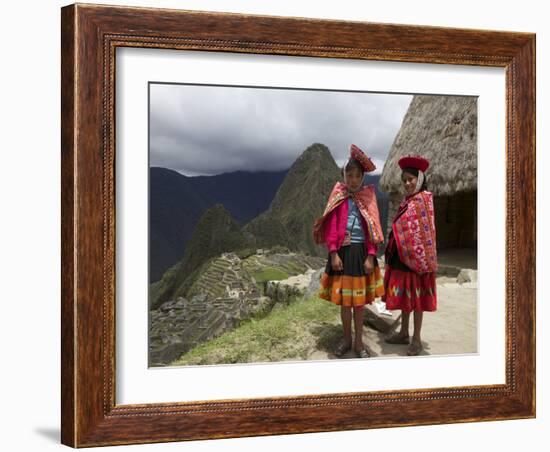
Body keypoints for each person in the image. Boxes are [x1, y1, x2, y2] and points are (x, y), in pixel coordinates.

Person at [313, 144, 385, 358]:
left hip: (361, 254)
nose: (353, 179)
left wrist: (371, 256)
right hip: (342, 255)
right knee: (346, 303)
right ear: (344, 175)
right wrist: (334, 253)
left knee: (359, 304)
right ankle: (346, 339)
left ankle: (359, 343)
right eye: (349, 175)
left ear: (363, 177)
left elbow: (374, 229)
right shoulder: (339, 196)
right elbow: (333, 226)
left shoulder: (368, 198)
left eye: (357, 176)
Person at [382, 155, 438, 356]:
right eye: (404, 180)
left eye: (410, 179)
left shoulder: (424, 200)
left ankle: (416, 339)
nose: (407, 183)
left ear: (420, 179)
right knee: (406, 297)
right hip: (401, 258)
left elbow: (424, 232)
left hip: (417, 262)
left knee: (416, 300)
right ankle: (404, 332)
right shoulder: (407, 201)